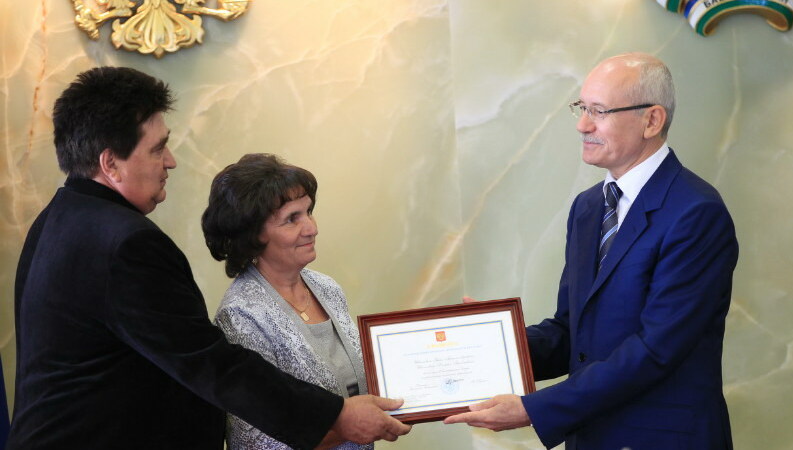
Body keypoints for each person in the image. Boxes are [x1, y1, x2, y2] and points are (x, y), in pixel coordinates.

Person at [9, 66, 410, 450]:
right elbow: (211, 363)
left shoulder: (58, 219)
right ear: (110, 163)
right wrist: (335, 417)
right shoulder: (127, 243)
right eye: (158, 148)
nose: (171, 161)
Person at [445, 53, 738, 449]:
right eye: (581, 108)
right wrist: (496, 344)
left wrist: (534, 408)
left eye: (599, 111)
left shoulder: (696, 212)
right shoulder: (588, 207)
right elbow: (572, 332)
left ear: (652, 120)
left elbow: (656, 349)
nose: (582, 125)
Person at [201, 153, 372, 449]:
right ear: (254, 235)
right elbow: (258, 439)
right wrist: (353, 428)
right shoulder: (241, 315)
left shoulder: (327, 288)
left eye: (308, 212)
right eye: (292, 219)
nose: (312, 228)